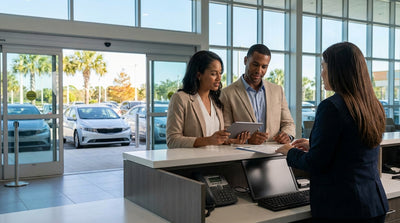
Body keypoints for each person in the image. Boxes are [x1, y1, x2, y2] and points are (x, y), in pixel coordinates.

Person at [276, 42, 388, 223]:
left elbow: (315, 163)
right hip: (373, 204)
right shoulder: (373, 105)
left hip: (343, 208)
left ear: (337, 70)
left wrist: (290, 152)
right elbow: (353, 149)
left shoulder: (331, 107)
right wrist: (314, 146)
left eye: (323, 67)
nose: (322, 73)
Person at [166, 50, 249, 148]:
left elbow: (216, 141)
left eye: (220, 73)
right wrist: (207, 140)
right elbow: (172, 140)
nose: (219, 78)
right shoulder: (180, 98)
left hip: (217, 160)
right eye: (213, 74)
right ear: (198, 75)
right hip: (194, 161)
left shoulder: (216, 101)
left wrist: (230, 141)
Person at [220, 44, 295, 145]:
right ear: (246, 60)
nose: (259, 71)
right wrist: (248, 140)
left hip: (274, 153)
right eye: (255, 64)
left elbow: (288, 123)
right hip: (242, 155)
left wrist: (287, 136)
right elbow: (226, 132)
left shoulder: (277, 90)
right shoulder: (227, 93)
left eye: (264, 67)